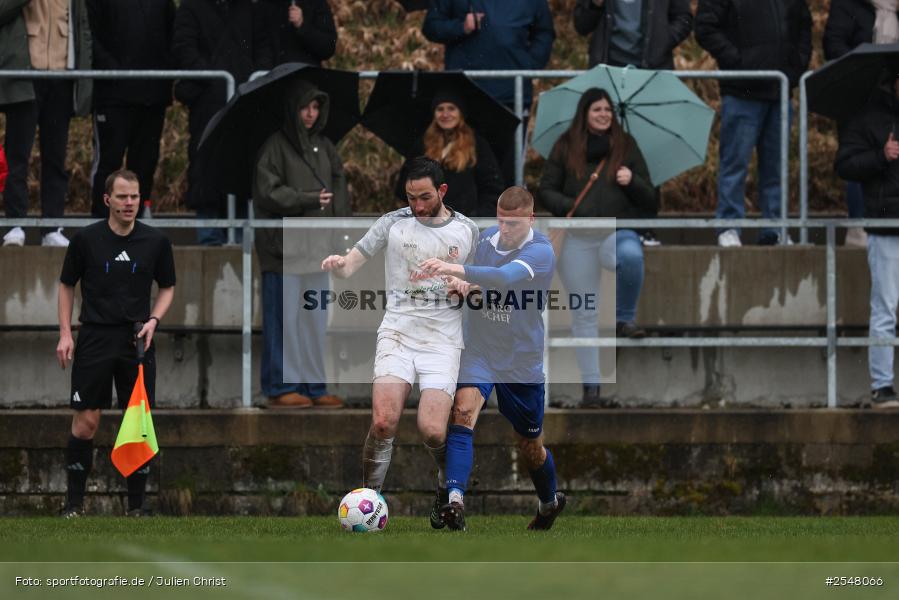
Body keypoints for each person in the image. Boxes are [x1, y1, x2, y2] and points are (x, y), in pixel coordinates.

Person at [321, 156, 479, 526]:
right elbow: (350, 265)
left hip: (442, 338)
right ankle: (368, 500)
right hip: (398, 332)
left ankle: (444, 489)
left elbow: (480, 289)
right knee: (383, 422)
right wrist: (338, 266)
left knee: (433, 429)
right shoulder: (392, 224)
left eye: (425, 197)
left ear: (442, 191)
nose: (418, 206)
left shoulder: (467, 230)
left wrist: (467, 288)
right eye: (411, 198)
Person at [418, 186, 566, 531]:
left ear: (531, 219)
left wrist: (458, 271)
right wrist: (462, 287)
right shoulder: (485, 240)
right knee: (462, 414)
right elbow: (480, 291)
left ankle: (549, 503)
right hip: (482, 348)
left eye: (513, 224)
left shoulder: (541, 251)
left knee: (530, 445)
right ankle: (455, 502)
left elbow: (503, 278)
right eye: (501, 221)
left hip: (520, 359)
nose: (504, 229)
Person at [56, 169, 176, 517]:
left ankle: (137, 508)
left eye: (135, 196)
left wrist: (154, 320)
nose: (129, 203)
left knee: (137, 423)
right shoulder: (86, 239)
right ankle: (73, 505)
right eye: (122, 196)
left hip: (136, 340)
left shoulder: (156, 241)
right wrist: (66, 333)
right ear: (107, 200)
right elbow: (66, 285)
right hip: (94, 337)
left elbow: (167, 287)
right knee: (86, 422)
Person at [538, 87, 656, 408]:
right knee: (584, 312)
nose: (604, 114)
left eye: (607, 109)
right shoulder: (565, 145)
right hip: (577, 239)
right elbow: (545, 190)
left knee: (630, 256)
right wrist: (571, 207)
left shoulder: (626, 146)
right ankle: (592, 390)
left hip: (617, 233)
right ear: (585, 113)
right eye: (597, 109)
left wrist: (632, 180)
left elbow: (652, 200)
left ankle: (624, 319)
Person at [254, 80, 348, 408]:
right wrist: (306, 198)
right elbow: (266, 192)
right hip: (283, 252)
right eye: (304, 107)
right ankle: (281, 388)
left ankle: (314, 387)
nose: (310, 114)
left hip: (319, 252)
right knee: (284, 323)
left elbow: (340, 195)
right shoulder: (274, 147)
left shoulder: (326, 147)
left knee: (314, 323)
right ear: (292, 110)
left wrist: (341, 241)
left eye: (316, 107)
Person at [695, 0, 811, 247]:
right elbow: (705, 27)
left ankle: (775, 229)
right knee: (735, 164)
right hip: (741, 92)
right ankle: (729, 226)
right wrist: (738, 60)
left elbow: (803, 25)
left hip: (780, 91)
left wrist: (797, 65)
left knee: (777, 168)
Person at [422, 0, 555, 185]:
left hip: (512, 94)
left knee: (508, 170)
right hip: (467, 95)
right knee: (465, 167)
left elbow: (544, 32)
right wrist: (461, 27)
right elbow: (431, 26)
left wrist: (530, 64)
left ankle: (505, 202)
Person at [172, 0, 272, 245]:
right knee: (205, 165)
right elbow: (184, 49)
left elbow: (264, 49)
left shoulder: (249, 9)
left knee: (241, 166)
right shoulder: (191, 8)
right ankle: (209, 236)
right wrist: (213, 80)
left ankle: (240, 235)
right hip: (207, 102)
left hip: (244, 100)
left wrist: (251, 81)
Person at [1, 0, 92, 248]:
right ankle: (15, 224)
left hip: (62, 79)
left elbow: (82, 29)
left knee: (55, 159)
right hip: (25, 78)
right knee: (17, 156)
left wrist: (84, 80)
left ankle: (52, 227)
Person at [834, 73, 899, 409]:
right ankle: (882, 385)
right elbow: (845, 165)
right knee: (885, 307)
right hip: (886, 226)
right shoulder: (867, 117)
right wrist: (882, 155)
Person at [86, 0, 176, 219]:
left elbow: (174, 34)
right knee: (108, 162)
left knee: (145, 164)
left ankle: (137, 217)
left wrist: (163, 74)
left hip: (152, 96)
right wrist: (113, 70)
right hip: (112, 95)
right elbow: (89, 36)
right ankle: (102, 220)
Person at [824, 0, 899, 248]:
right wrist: (868, 65)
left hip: (892, 99)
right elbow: (833, 45)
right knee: (861, 158)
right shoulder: (848, 5)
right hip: (859, 97)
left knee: (890, 157)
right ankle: (858, 225)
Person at [395, 90, 504, 217]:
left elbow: (492, 185)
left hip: (466, 219)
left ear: (460, 113)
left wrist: (479, 215)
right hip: (429, 219)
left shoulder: (477, 144)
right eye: (440, 109)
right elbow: (405, 183)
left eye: (451, 108)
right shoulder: (422, 144)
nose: (445, 114)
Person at [573, 0, 693, 70]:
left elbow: (683, 18)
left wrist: (662, 42)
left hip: (654, 68)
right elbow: (581, 26)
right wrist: (594, 4)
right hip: (608, 68)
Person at [262, 0, 337, 67]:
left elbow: (328, 48)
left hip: (305, 73)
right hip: (270, 74)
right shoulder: (265, 4)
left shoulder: (317, 3)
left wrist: (302, 25)